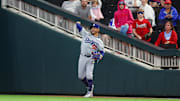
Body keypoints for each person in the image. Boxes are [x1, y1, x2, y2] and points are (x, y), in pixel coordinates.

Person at [76, 22, 105, 97]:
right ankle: (90, 86)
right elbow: (79, 27)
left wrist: (99, 57)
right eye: (92, 28)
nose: (93, 29)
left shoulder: (99, 41)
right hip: (82, 56)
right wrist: (78, 23)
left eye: (95, 28)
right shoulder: (86, 34)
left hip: (91, 58)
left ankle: (89, 92)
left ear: (98, 29)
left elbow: (102, 52)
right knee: (81, 76)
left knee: (89, 75)